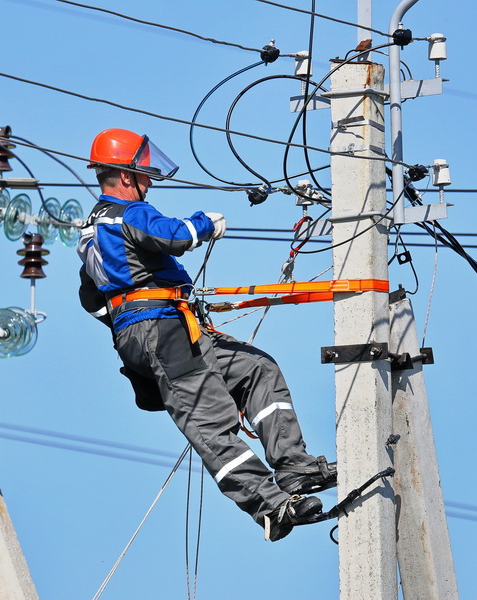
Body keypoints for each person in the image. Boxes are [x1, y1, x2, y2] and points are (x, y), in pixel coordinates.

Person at [76, 128, 336, 541]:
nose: (147, 182)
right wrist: (203, 224)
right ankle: (270, 507)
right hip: (162, 331)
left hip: (164, 329)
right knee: (211, 421)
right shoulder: (128, 214)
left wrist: (131, 325)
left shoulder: (92, 231)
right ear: (125, 176)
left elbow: (90, 299)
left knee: (256, 369)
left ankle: (294, 467)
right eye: (143, 174)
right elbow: (172, 236)